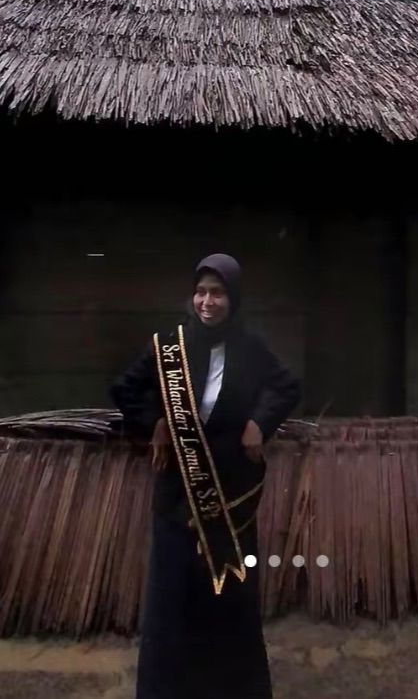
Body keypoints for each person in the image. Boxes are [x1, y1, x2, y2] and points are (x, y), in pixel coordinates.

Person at [112, 253, 301, 699]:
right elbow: (123, 389)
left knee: (229, 604)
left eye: (217, 293)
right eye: (200, 292)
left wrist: (260, 422)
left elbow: (286, 386)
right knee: (172, 603)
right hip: (178, 498)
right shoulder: (167, 346)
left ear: (233, 299)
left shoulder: (251, 348)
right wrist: (155, 420)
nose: (207, 301)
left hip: (230, 501)